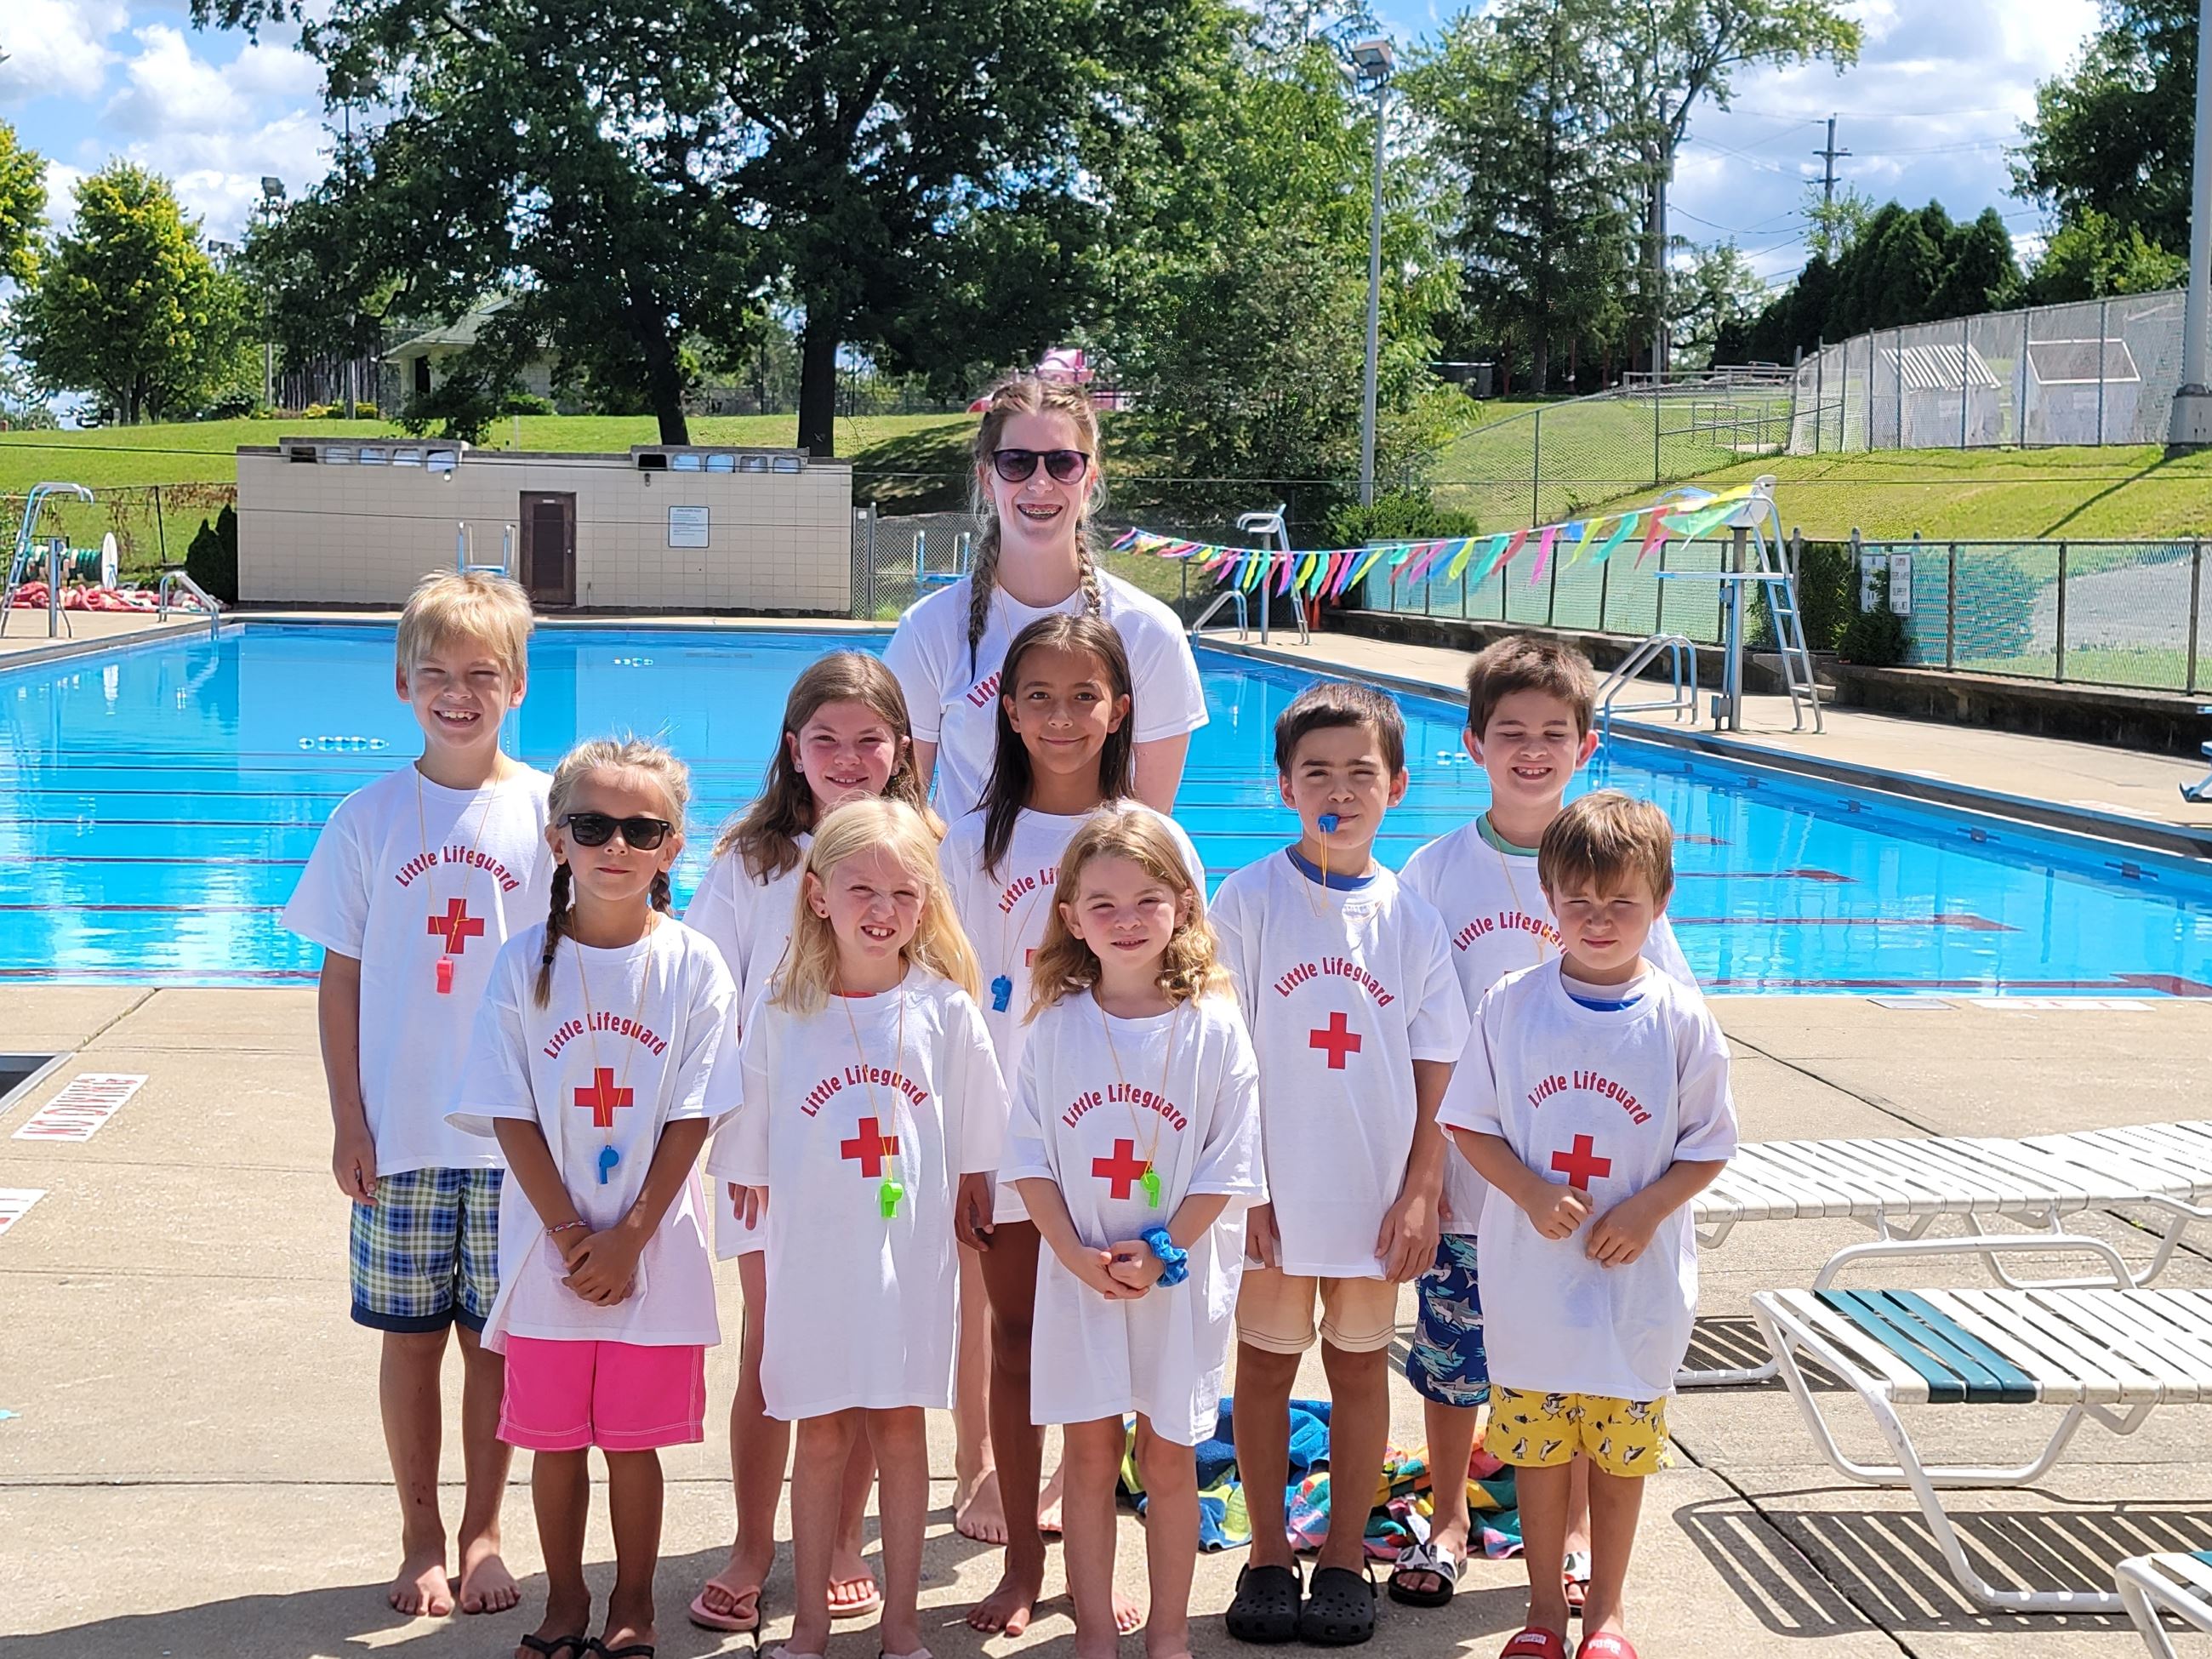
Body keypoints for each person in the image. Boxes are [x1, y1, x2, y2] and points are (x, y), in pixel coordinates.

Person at [1389, 636, 1699, 1614]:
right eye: (1510, 731)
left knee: (1575, 1369)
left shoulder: (1615, 868)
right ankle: (1446, 1517)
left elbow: (1669, 1029)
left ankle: (1567, 1537)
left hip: (1587, 1201)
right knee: (1453, 1362)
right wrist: (1422, 1178)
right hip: (1470, 1177)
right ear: (1472, 743)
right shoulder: (1432, 875)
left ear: (1585, 745)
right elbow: (1413, 1033)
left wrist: (1651, 1199)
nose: (1531, 750)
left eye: (1552, 734)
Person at [280, 569, 550, 1620]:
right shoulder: (369, 817)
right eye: (435, 674)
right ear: (402, 683)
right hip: (400, 1132)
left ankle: (484, 1530)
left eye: (481, 674)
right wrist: (348, 1119)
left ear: (516, 684)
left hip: (513, 1139)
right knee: (410, 1338)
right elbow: (340, 977)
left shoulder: (550, 813)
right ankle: (421, 1534)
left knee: (493, 1343)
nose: (457, 693)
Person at [943, 612, 1206, 1637]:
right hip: (1014, 1142)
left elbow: (1193, 991)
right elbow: (949, 1001)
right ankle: (1023, 1558)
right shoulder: (971, 842)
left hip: (1128, 1143)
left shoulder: (1153, 842)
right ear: (1007, 713)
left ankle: (1106, 1574)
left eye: (1083, 697)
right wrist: (971, 1150)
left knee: (1133, 1371)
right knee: (1016, 1344)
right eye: (1039, 698)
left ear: (1120, 710)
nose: (1061, 718)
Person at [449, 737, 738, 1659]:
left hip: (653, 1253)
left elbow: (694, 1113)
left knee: (632, 1444)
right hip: (550, 1253)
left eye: (641, 830)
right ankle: (566, 1600)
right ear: (556, 838)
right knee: (554, 1441)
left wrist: (629, 1240)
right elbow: (509, 1110)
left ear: (672, 847)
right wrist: (574, 1234)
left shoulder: (693, 964)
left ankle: (634, 1602)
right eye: (592, 825)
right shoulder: (519, 963)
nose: (616, 845)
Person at [1441, 792, 1736, 1659]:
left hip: (1634, 1295)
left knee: (1619, 1457)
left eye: (1621, 904)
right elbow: (1468, 1123)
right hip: (1533, 1289)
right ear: (1548, 898)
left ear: (1661, 903)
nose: (1598, 921)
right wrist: (1530, 1193)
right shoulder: (1511, 1005)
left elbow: (1710, 1144)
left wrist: (1646, 1209)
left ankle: (1605, 1612)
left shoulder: (1679, 1019)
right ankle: (1541, 1610)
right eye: (1579, 902)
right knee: (1537, 1457)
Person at [710, 797, 1006, 1659]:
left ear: (927, 902)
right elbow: (749, 1146)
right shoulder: (782, 1014)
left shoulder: (946, 1012)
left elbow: (978, 1141)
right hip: (814, 1265)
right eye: (861, 890)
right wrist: (748, 1172)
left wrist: (975, 1185)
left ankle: (900, 1627)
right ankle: (807, 1626)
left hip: (907, 1266)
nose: (883, 910)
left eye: (904, 893)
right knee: (822, 1432)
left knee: (901, 1429)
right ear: (817, 896)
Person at [1211, 681, 1468, 1649]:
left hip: (1371, 1199)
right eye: (1315, 771)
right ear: (1283, 786)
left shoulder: (1410, 919)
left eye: (1361, 772)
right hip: (1276, 1197)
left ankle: (1345, 1556)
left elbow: (1439, 1064)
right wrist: (1246, 1189)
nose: (1339, 790)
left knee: (1360, 1370)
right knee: (1264, 1370)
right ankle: (1268, 1553)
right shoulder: (1246, 902)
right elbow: (1222, 1054)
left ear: (1396, 786)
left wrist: (1421, 1189)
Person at [685, 651, 934, 1636]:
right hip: (772, 1158)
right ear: (792, 750)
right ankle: (753, 1543)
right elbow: (711, 1003)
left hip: (875, 1148)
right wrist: (735, 1147)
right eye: (824, 739)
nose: (846, 757)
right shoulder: (751, 863)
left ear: (900, 749)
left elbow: (940, 995)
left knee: (868, 1347)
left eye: (868, 739)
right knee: (772, 1346)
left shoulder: (919, 854)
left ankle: (836, 1540)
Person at [1004, 807, 1261, 1659]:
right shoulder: (1054, 1027)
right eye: (1102, 903)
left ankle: (1167, 1635)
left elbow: (1229, 1163)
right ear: (1071, 918)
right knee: (1086, 1454)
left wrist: (1161, 1251)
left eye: (1146, 899)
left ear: (1182, 906)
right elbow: (1029, 1158)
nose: (1125, 919)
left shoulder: (1213, 1026)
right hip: (1079, 1278)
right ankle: (1093, 1637)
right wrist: (1072, 1255)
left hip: (1177, 1285)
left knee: (1169, 1455)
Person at [883, 373, 1208, 819]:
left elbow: (1150, 824)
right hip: (963, 868)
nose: (1039, 483)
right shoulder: (930, 629)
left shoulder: (1147, 632)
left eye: (1062, 463)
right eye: (1016, 462)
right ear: (987, 477)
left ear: (1088, 479)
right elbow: (904, 815)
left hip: (1103, 869)